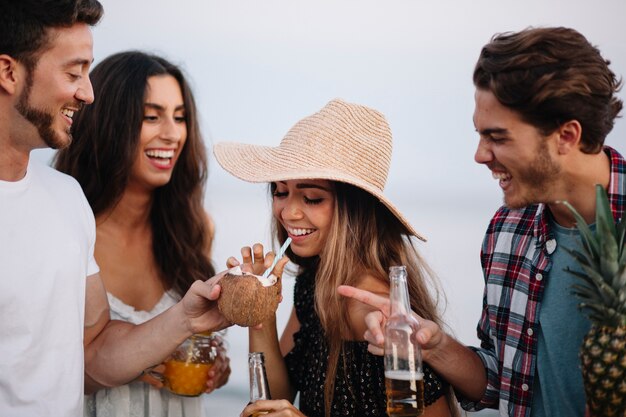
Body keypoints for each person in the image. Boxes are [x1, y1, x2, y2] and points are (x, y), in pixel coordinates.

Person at [338, 27, 624, 417]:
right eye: (479, 134)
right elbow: (501, 383)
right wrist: (433, 344)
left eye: (498, 137)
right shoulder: (508, 230)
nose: (479, 154)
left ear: (566, 135)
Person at [0, 2, 247, 415]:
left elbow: (92, 355)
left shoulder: (65, 199)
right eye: (73, 72)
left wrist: (186, 318)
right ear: (9, 72)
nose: (87, 92)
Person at [215, 99, 458, 417]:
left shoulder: (383, 318)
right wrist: (260, 307)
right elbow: (277, 395)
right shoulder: (312, 283)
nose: (289, 211)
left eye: (312, 197)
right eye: (279, 191)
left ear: (354, 210)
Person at [54, 51, 231, 417]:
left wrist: (218, 366)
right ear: (109, 121)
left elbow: (200, 343)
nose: (172, 134)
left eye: (180, 118)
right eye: (151, 116)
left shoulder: (195, 229)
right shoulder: (64, 228)